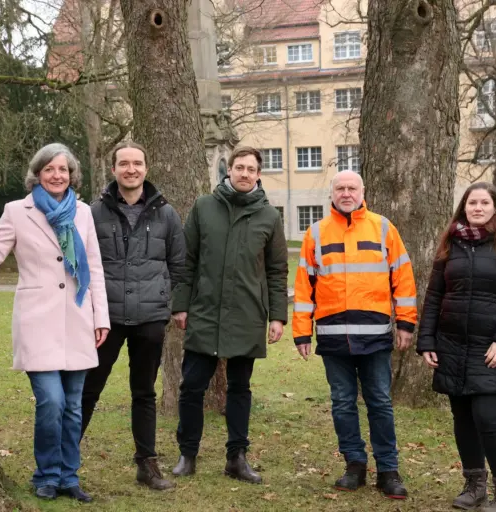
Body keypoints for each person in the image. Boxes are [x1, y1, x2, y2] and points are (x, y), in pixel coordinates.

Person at [0, 143, 109, 503]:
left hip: (78, 320)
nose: (57, 175)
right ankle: (45, 474)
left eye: (63, 170)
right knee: (51, 402)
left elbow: (93, 268)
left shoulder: (82, 212)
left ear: (72, 175)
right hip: (37, 322)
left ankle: (69, 477)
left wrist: (100, 317)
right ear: (37, 174)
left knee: (74, 406)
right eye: (50, 170)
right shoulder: (18, 210)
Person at [292, 170, 417, 500]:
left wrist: (405, 323)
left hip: (376, 338)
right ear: (332, 193)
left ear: (363, 191)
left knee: (379, 402)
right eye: (340, 188)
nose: (346, 193)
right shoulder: (316, 234)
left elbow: (403, 278)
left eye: (352, 188)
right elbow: (304, 287)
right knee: (342, 404)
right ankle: (354, 466)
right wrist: (302, 333)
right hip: (333, 339)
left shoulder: (384, 228)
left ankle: (388, 470)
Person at [170, 146, 288, 484]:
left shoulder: (269, 216)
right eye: (239, 167)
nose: (245, 173)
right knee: (192, 386)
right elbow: (187, 261)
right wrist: (180, 304)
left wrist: (277, 316)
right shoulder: (204, 207)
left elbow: (277, 270)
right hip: (205, 314)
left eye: (251, 169)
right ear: (229, 170)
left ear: (258, 175)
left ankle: (236, 457)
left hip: (247, 315)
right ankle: (187, 454)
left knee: (240, 388)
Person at [417, 182, 496, 512]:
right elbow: (435, 295)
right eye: (472, 202)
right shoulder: (450, 244)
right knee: (463, 418)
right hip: (452, 346)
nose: (478, 208)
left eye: (485, 202)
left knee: (488, 418)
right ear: (464, 207)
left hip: (491, 348)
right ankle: (474, 486)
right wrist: (427, 339)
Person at [81, 141, 185, 490]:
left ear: (146, 168)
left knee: (144, 393)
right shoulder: (94, 213)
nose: (131, 169)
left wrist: (169, 302)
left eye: (137, 163)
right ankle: (65, 462)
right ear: (113, 169)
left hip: (150, 319)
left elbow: (179, 265)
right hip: (104, 320)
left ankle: (147, 464)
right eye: (124, 164)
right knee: (88, 390)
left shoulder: (166, 214)